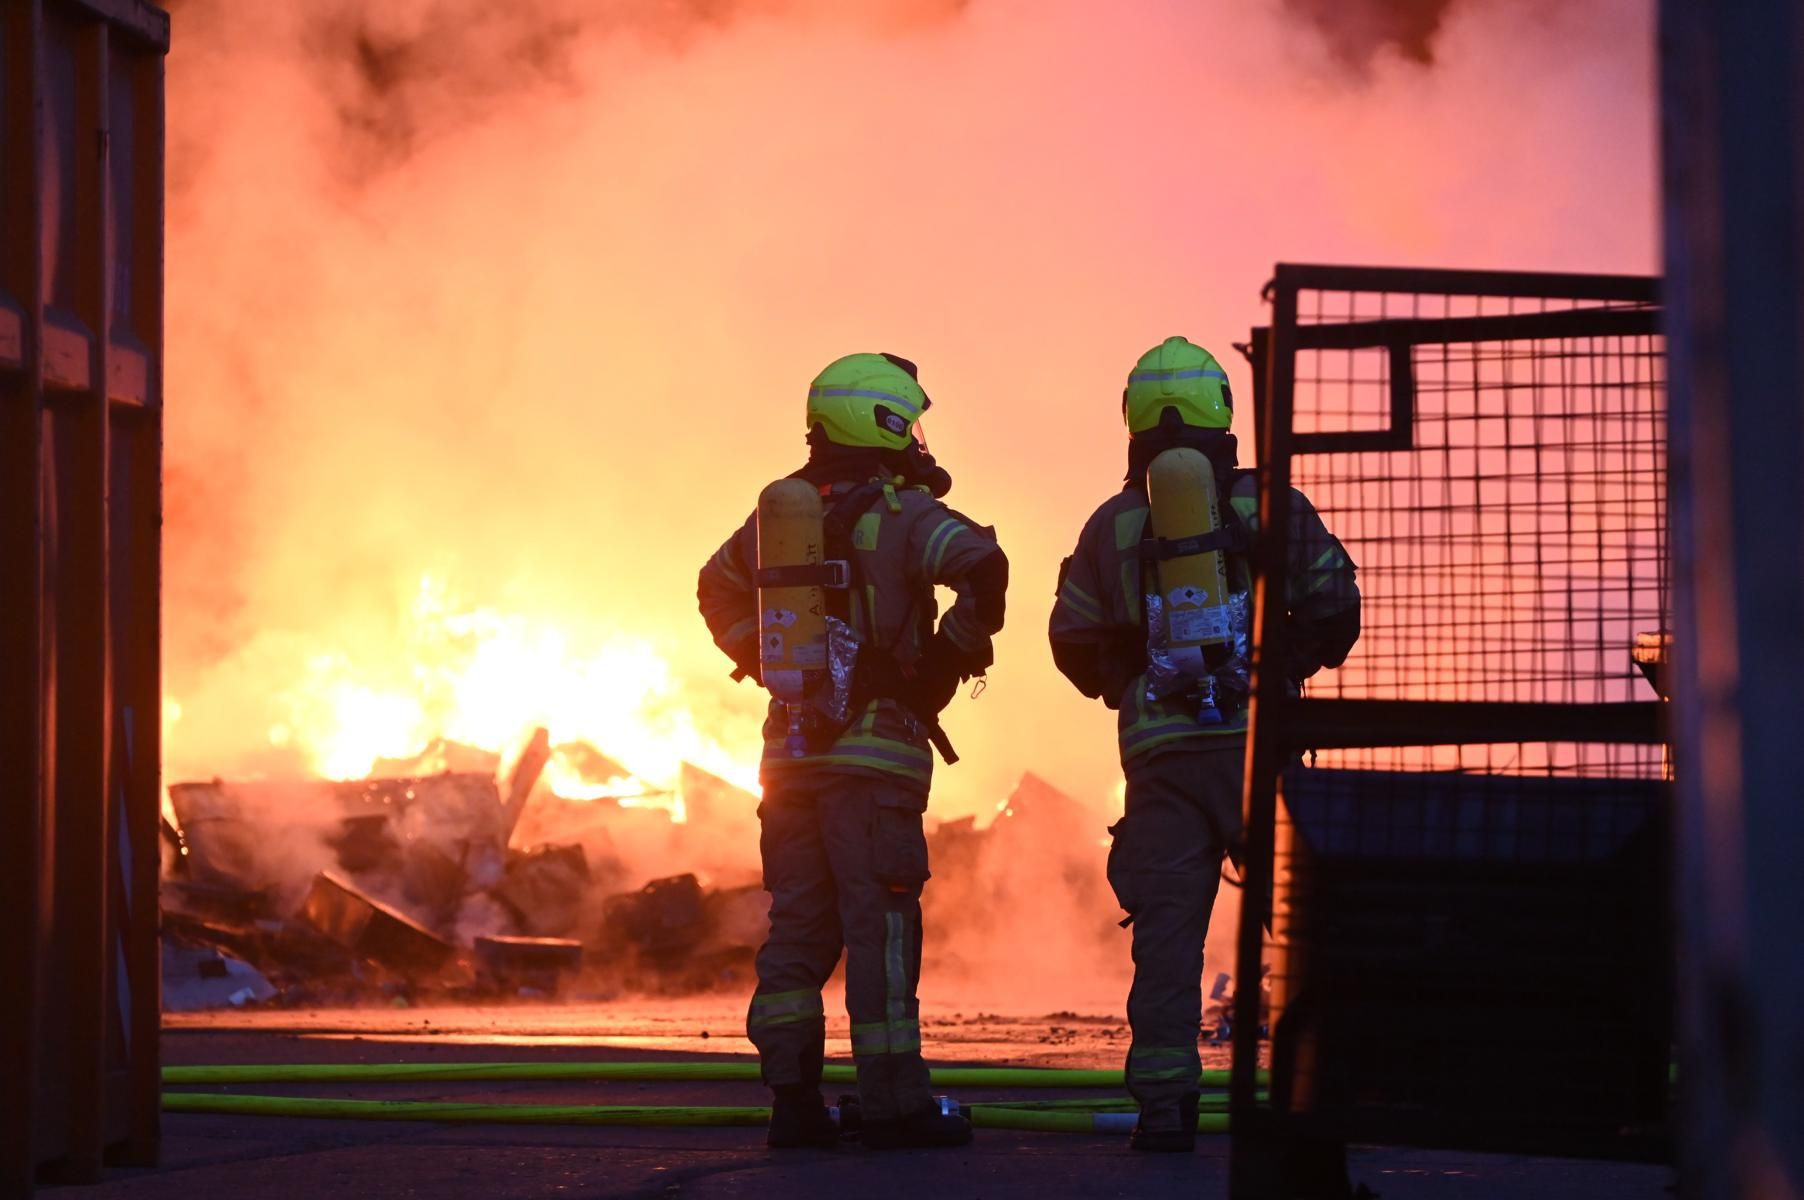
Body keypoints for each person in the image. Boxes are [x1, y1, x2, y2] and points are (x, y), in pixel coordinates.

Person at [1048, 336, 1359, 1152]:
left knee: (1167, 938)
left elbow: (1071, 642)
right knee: (1301, 925)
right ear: (1221, 411)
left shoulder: (1111, 525)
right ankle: (1316, 1099)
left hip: (1162, 763)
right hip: (1261, 750)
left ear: (1133, 419)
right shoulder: (1270, 505)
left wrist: (1133, 678)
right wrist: (1278, 664)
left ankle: (1163, 1111)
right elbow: (1337, 610)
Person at [697, 351, 1008, 1150]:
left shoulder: (777, 517)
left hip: (790, 757)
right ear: (883, 422)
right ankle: (894, 1105)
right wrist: (946, 658)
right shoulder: (906, 515)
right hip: (875, 764)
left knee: (798, 928)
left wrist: (768, 662)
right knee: (882, 930)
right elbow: (984, 568)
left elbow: (714, 587)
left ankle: (794, 1103)